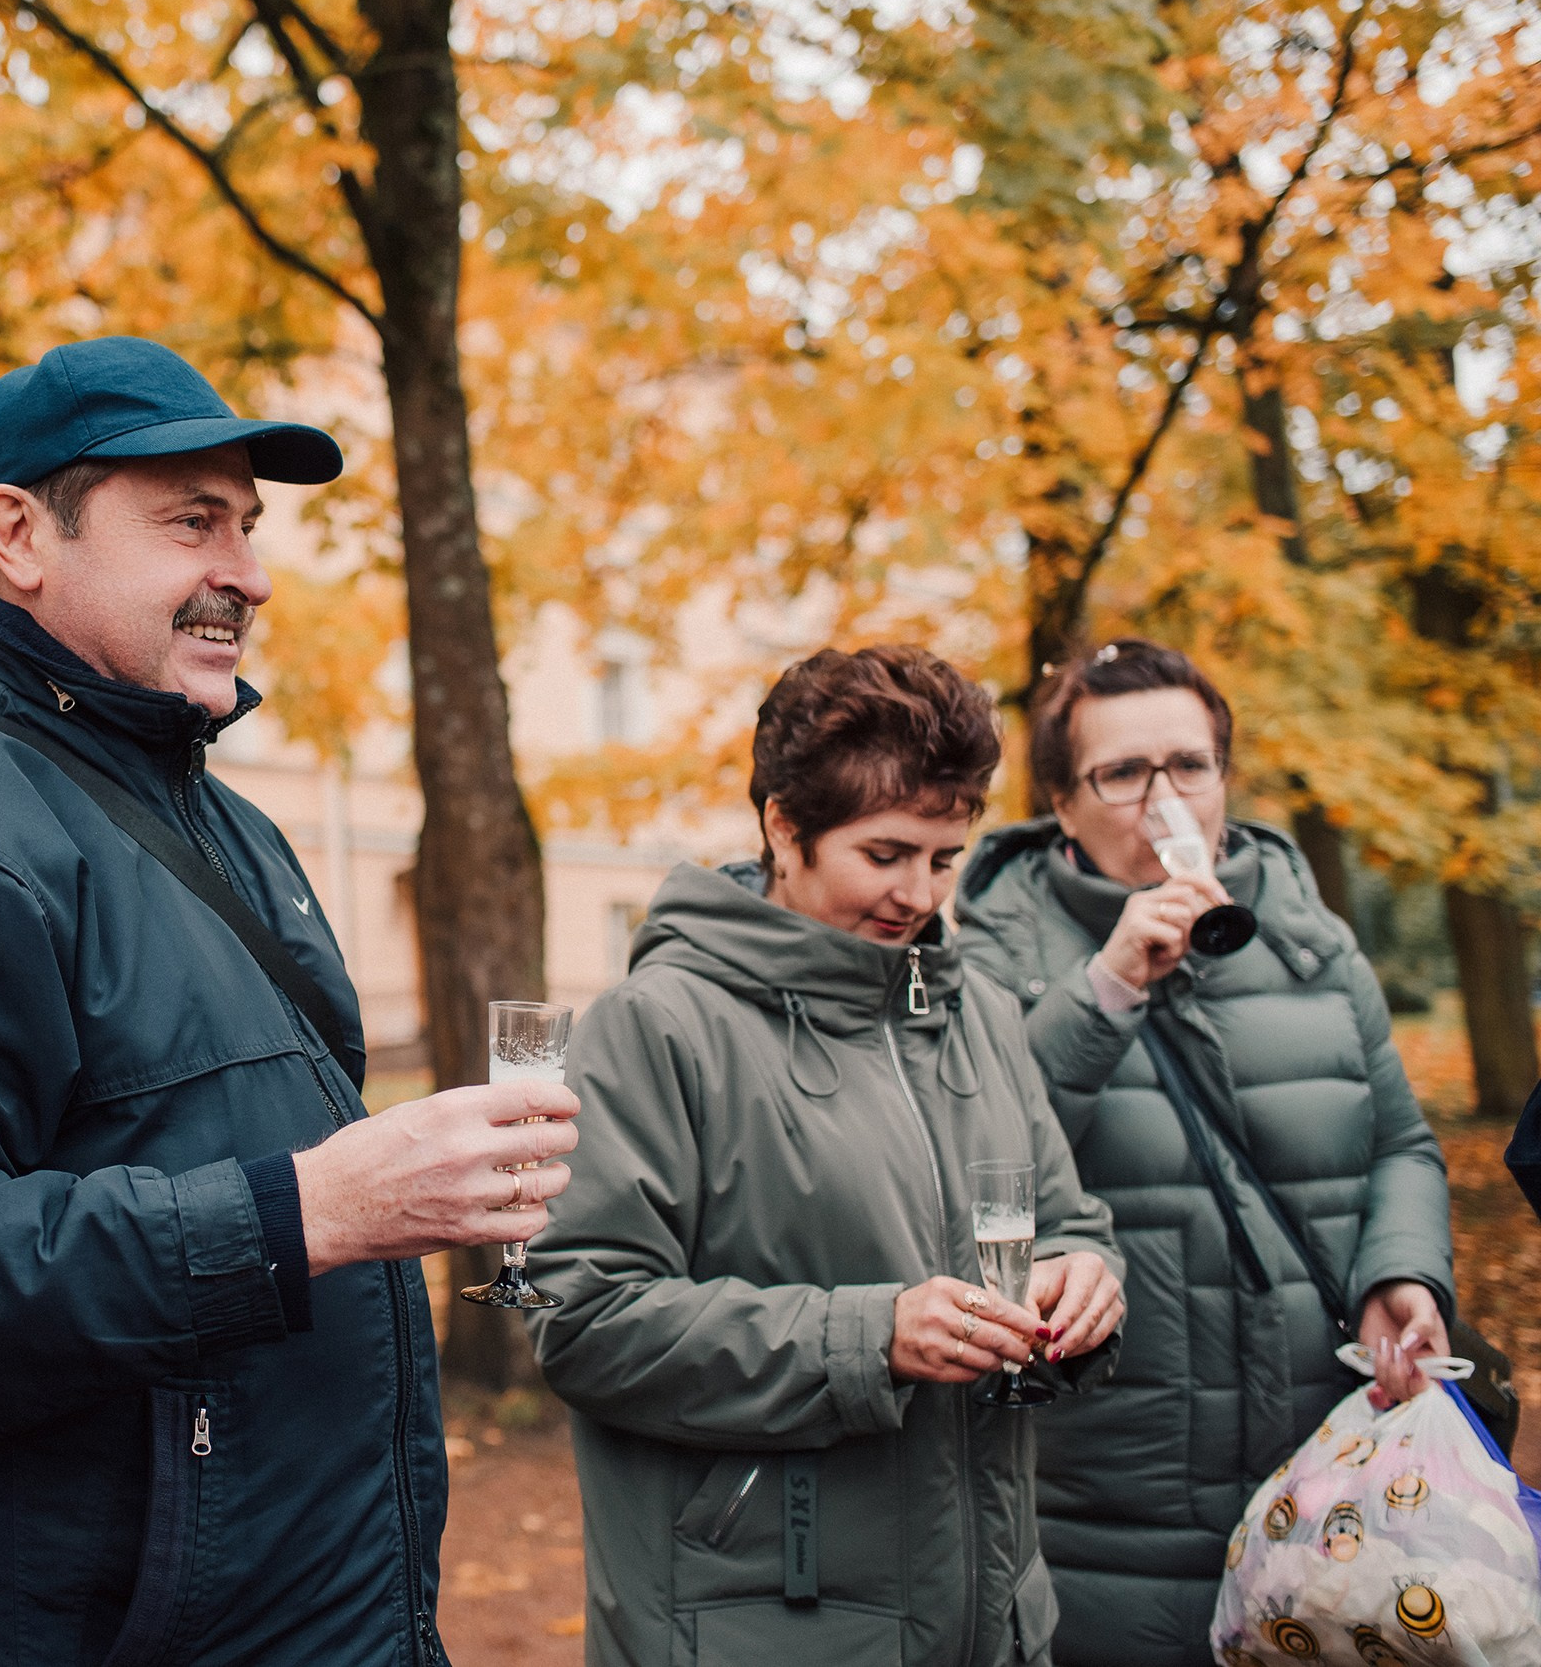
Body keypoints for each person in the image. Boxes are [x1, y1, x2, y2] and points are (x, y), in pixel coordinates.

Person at [0, 334, 581, 1667]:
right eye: (193, 522)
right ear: (18, 533)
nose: (247, 573)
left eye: (246, 526)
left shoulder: (241, 832)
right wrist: (304, 1213)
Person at [528, 645, 1126, 1667]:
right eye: (884, 853)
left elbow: (1064, 1220)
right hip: (757, 1625)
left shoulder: (978, 1013)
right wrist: (869, 1337)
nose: (918, 893)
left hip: (990, 1623)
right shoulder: (657, 1024)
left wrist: (1085, 1277)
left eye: (944, 858)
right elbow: (583, 1317)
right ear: (782, 826)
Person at [954, 637, 1455, 1667]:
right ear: (1062, 803)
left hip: (1330, 1486)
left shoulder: (1311, 940)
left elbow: (1401, 1142)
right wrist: (1105, 988)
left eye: (1188, 765)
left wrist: (1399, 1273)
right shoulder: (992, 957)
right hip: (1117, 1517)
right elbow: (972, 1162)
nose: (1162, 800)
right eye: (1122, 773)